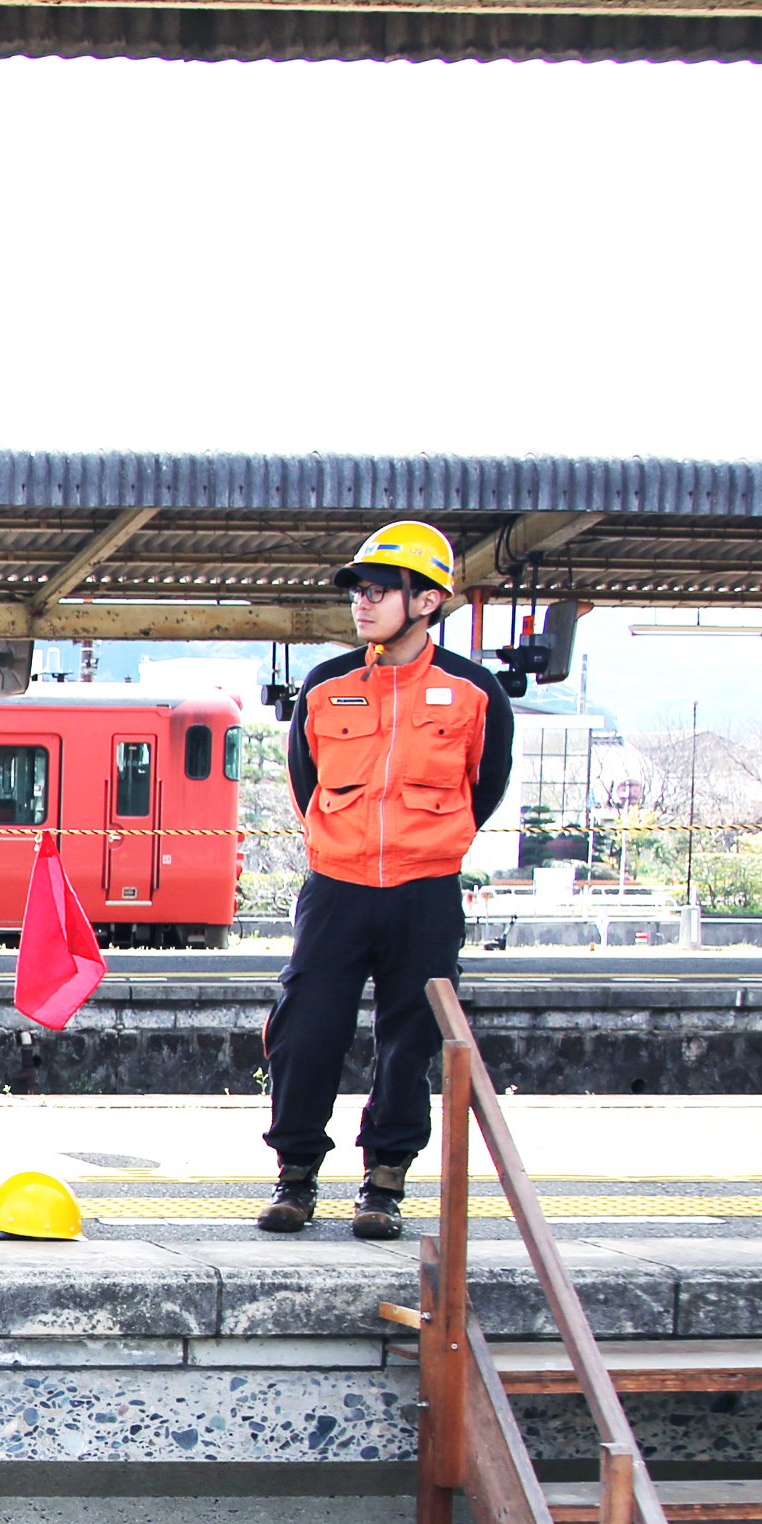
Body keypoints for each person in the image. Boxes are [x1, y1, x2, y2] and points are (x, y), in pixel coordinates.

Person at [257, 522, 515, 1240]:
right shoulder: (325, 686)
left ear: (427, 601)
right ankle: (295, 1174)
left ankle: (383, 1181)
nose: (362, 605)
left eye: (379, 592)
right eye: (359, 593)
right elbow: (305, 783)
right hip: (336, 887)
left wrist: (425, 841)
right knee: (304, 1030)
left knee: (411, 1037)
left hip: (423, 890)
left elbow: (482, 786)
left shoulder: (473, 691)